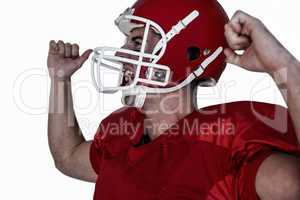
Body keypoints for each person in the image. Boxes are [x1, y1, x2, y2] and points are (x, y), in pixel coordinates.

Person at [47, 0, 300, 199]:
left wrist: (282, 66)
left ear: (187, 52)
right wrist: (60, 80)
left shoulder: (223, 145)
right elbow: (67, 156)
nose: (124, 53)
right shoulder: (122, 132)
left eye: (137, 42)